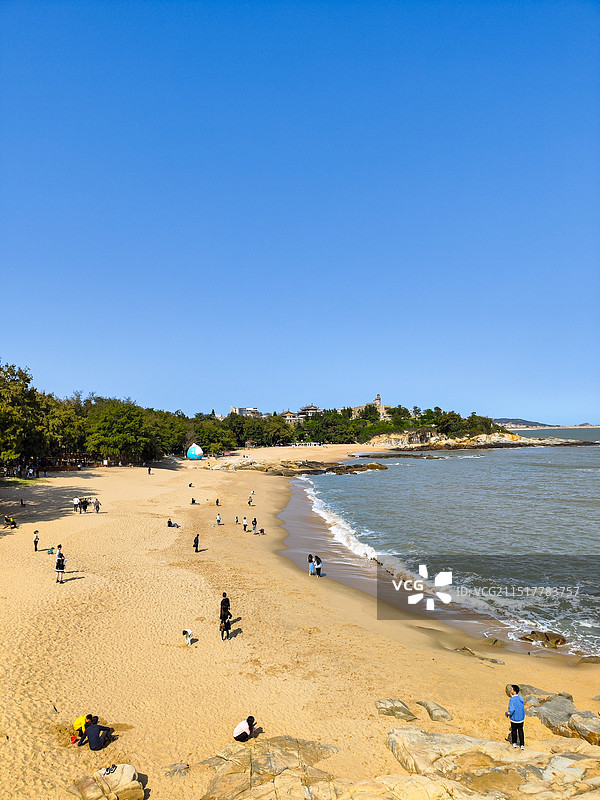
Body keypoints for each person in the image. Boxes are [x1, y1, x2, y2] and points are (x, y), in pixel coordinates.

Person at [506, 685, 525, 750]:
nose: (510, 690)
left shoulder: (512, 699)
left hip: (515, 719)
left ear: (514, 691)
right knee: (521, 731)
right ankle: (522, 744)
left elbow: (511, 710)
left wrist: (507, 714)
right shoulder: (520, 697)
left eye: (511, 689)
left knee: (514, 731)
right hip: (521, 718)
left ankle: (514, 743)